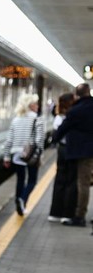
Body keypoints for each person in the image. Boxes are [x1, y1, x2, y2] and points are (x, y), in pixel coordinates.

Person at [52, 83, 93, 228]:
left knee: (83, 184)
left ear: (76, 95)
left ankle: (79, 216)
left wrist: (54, 139)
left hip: (84, 153)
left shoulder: (76, 110)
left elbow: (63, 128)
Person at [2, 93, 44, 216]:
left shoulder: (16, 119)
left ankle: (19, 205)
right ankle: (23, 199)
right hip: (30, 155)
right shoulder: (37, 119)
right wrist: (39, 156)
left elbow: (9, 139)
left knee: (20, 180)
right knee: (32, 180)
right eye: (36, 103)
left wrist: (6, 156)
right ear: (31, 105)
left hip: (17, 155)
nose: (37, 106)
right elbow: (39, 140)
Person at [48, 93, 78, 223]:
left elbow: (56, 134)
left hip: (62, 150)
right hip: (73, 150)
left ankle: (55, 213)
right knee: (72, 181)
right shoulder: (75, 116)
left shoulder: (58, 118)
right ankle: (68, 213)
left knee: (60, 180)